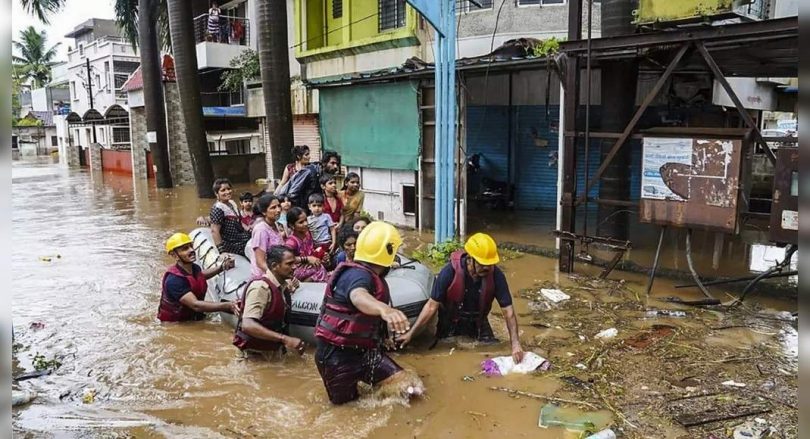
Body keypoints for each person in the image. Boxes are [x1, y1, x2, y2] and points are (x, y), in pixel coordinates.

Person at [314, 222, 414, 405]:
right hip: (336, 356)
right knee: (345, 409)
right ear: (388, 251)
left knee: (408, 387)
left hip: (364, 352)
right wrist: (384, 309)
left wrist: (384, 337)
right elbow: (358, 296)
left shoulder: (370, 275)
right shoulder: (357, 275)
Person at [396, 233, 525, 364]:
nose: (487, 268)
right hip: (450, 322)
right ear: (470, 259)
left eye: (490, 264)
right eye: (482, 264)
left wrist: (515, 344)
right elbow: (431, 306)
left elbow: (508, 312)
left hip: (478, 321)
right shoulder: (449, 272)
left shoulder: (496, 276)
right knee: (446, 356)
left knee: (491, 350)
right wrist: (411, 334)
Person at [233, 245, 305, 356]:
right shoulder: (260, 288)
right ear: (274, 266)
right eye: (289, 264)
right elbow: (247, 325)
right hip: (253, 355)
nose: (294, 267)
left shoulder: (282, 287)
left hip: (272, 352)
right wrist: (284, 339)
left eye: (294, 263)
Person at [158, 232, 240, 322]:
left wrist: (222, 267)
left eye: (191, 246)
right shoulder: (174, 280)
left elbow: (199, 277)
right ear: (174, 255)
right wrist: (228, 306)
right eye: (185, 249)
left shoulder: (194, 268)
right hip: (177, 323)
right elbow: (195, 305)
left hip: (193, 317)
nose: (191, 250)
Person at [209, 178, 252, 257]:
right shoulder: (218, 209)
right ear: (216, 193)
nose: (227, 192)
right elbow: (214, 231)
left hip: (241, 237)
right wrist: (222, 252)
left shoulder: (232, 203)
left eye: (228, 189)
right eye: (223, 190)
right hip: (232, 243)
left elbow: (239, 221)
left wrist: (249, 230)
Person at [285, 207, 329, 282]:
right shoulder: (291, 241)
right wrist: (307, 259)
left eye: (306, 220)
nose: (305, 224)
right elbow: (286, 259)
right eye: (301, 222)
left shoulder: (308, 235)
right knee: (319, 269)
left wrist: (322, 256)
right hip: (296, 270)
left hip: (309, 265)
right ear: (292, 225)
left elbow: (311, 251)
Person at [248, 194, 286, 278]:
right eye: (273, 208)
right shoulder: (261, 230)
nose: (278, 210)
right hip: (265, 276)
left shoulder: (275, 224)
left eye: (279, 206)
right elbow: (260, 262)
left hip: (278, 270)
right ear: (264, 212)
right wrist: (278, 277)